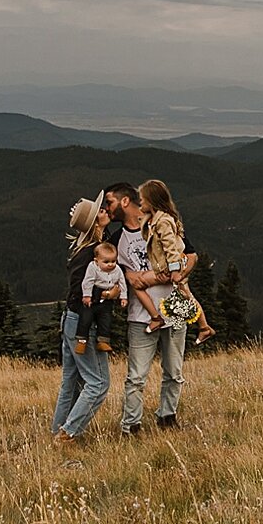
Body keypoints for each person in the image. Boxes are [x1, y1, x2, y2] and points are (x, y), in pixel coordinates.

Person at [103, 182, 196, 433]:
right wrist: (132, 274)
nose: (107, 209)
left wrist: (167, 276)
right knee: (136, 377)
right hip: (141, 315)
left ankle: (167, 417)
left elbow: (191, 255)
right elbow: (125, 276)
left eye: (110, 202)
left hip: (174, 309)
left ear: (125, 202)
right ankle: (130, 425)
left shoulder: (160, 223)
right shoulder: (116, 239)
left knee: (174, 371)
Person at [50, 191, 112, 446]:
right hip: (83, 324)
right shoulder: (90, 255)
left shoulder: (81, 249)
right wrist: (109, 292)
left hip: (70, 320)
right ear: (94, 222)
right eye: (101, 211)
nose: (106, 211)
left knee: (71, 381)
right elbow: (81, 291)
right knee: (98, 384)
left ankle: (57, 431)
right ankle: (68, 433)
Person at [137, 178, 215, 344]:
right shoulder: (156, 219)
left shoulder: (163, 222)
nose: (139, 203)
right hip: (172, 265)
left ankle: (200, 327)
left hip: (173, 266)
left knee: (141, 284)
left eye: (142, 200)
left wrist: (174, 271)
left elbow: (170, 248)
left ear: (151, 201)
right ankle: (204, 327)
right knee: (185, 293)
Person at [76, 241, 126, 354]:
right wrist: (87, 296)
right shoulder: (93, 268)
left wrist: (123, 297)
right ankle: (81, 340)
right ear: (96, 261)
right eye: (106, 262)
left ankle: (103, 341)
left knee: (105, 320)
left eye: (113, 261)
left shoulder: (117, 270)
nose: (110, 264)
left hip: (107, 302)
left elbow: (122, 283)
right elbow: (87, 282)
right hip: (93, 300)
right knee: (85, 319)